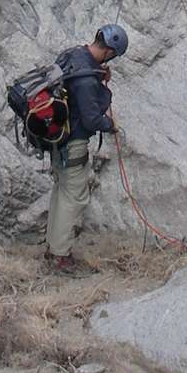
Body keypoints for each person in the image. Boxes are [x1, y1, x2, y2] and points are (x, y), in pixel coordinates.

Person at [45, 23, 128, 275]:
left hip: (57, 139)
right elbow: (92, 120)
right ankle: (60, 256)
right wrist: (111, 125)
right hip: (73, 142)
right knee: (75, 197)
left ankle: (52, 247)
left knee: (61, 191)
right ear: (110, 52)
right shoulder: (87, 80)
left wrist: (99, 76)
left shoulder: (73, 54)